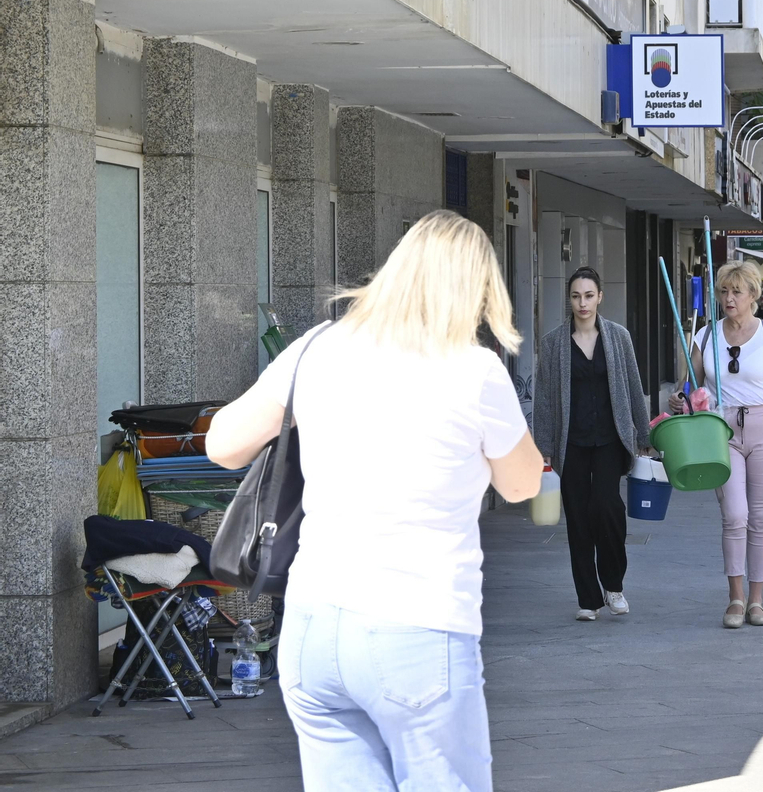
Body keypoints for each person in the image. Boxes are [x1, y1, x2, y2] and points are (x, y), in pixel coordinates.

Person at [207, 211, 544, 792]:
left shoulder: (318, 347)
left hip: (314, 624)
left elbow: (223, 444)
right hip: (418, 625)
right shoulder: (474, 370)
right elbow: (522, 485)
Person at [669, 261, 763, 629]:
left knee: (760, 517)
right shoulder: (705, 336)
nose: (729, 299)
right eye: (724, 292)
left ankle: (757, 601)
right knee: (734, 515)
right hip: (720, 430)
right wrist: (679, 399)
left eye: (737, 292)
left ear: (753, 296)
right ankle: (735, 598)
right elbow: (690, 385)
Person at [534, 267, 654, 621]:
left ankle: (613, 585)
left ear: (600, 296)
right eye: (576, 296)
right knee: (578, 519)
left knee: (607, 508)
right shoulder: (554, 343)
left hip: (609, 440)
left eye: (588, 295)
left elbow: (634, 387)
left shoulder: (618, 338)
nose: (582, 303)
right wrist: (543, 445)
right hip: (570, 442)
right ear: (569, 300)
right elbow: (543, 398)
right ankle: (588, 598)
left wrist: (643, 436)